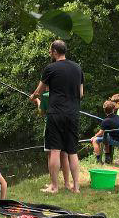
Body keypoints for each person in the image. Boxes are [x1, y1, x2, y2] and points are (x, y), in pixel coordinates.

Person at [30, 40, 84, 193]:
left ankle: (54, 186)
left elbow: (39, 91)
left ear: (54, 51)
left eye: (50, 50)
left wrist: (33, 96)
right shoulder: (77, 68)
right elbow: (81, 94)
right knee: (72, 151)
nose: (49, 53)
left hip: (56, 114)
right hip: (73, 114)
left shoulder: (50, 68)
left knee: (55, 150)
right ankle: (76, 187)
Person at [36, 92, 74, 191]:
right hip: (66, 125)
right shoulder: (66, 93)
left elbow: (42, 112)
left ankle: (53, 185)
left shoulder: (46, 95)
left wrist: (37, 101)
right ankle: (67, 183)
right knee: (64, 155)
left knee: (51, 154)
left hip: (51, 126)